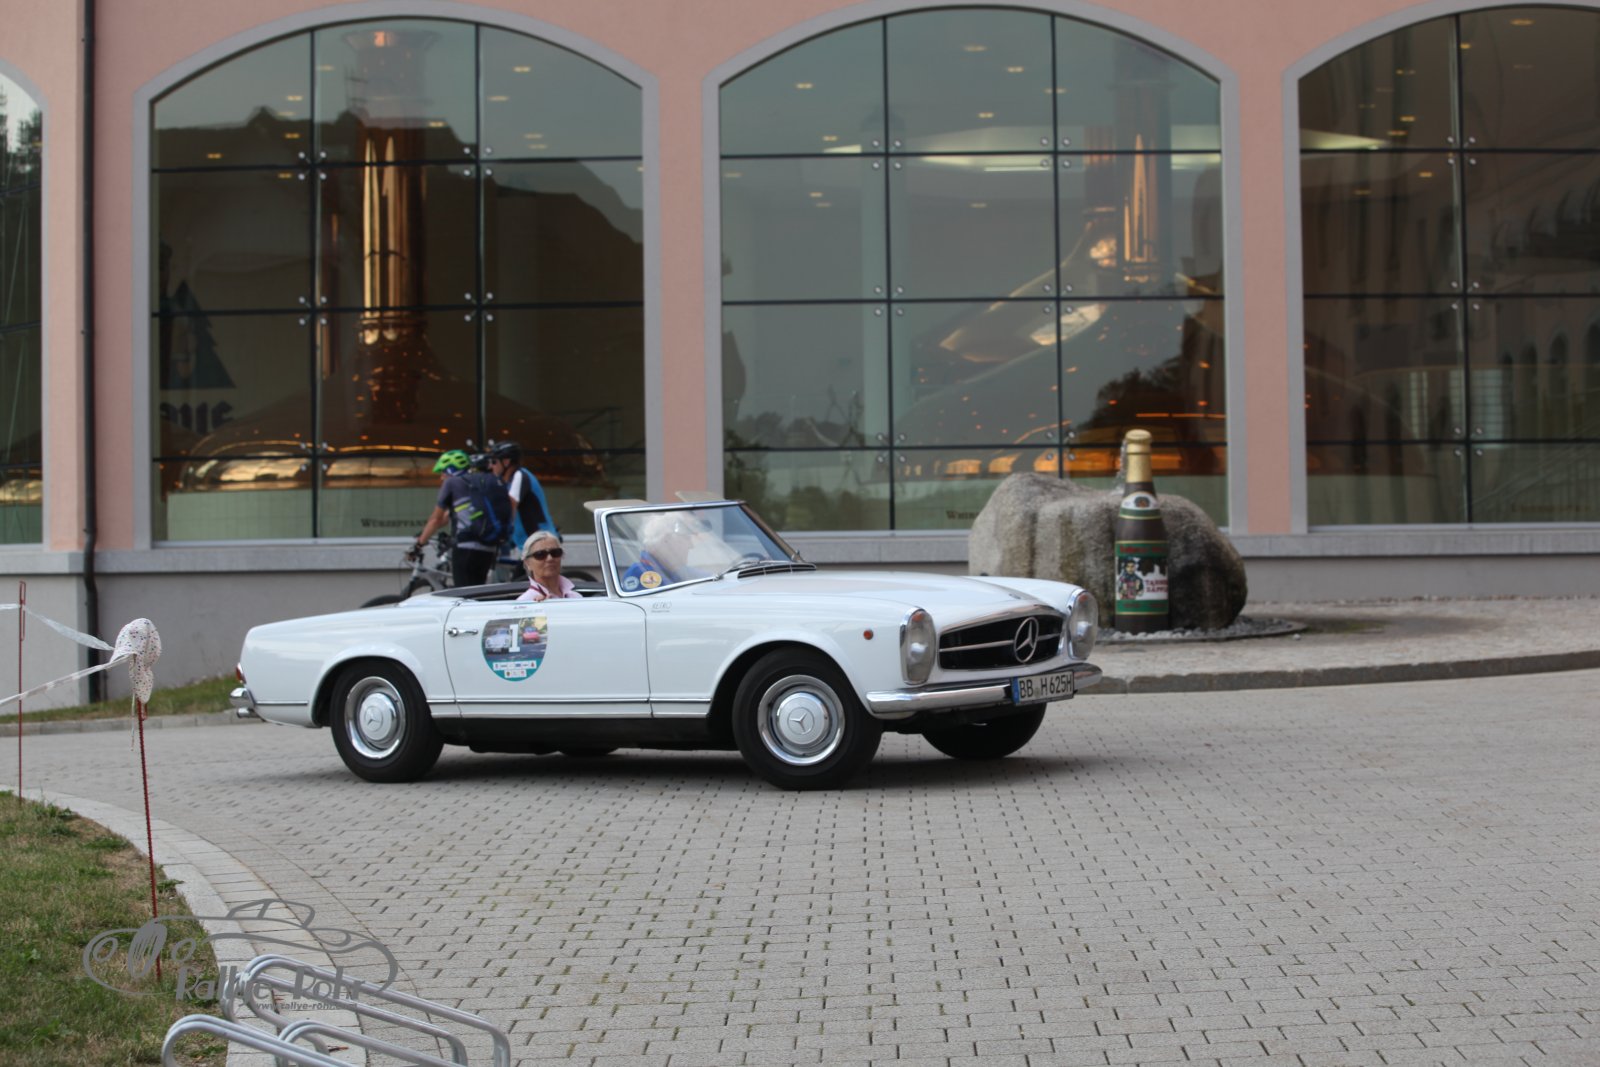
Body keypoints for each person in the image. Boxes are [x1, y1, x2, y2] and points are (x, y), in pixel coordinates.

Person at [413, 450, 503, 588]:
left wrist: (419, 544)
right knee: (477, 592)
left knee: (464, 594)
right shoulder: (479, 484)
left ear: (451, 470)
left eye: (443, 472)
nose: (441, 477)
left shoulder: (452, 483)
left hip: (465, 548)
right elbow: (447, 518)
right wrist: (426, 532)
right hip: (488, 548)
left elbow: (436, 520)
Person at [488, 441, 558, 548]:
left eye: (494, 462)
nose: (490, 466)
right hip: (529, 545)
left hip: (541, 544)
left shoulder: (520, 475)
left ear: (506, 462)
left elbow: (510, 506)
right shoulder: (508, 482)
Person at [619, 511, 711, 592]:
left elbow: (709, 577)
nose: (691, 545)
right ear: (666, 540)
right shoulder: (640, 573)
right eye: (686, 538)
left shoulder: (675, 569)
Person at [516, 530, 583, 602]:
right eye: (540, 554)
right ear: (527, 563)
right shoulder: (525, 602)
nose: (550, 558)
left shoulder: (576, 597)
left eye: (555, 553)